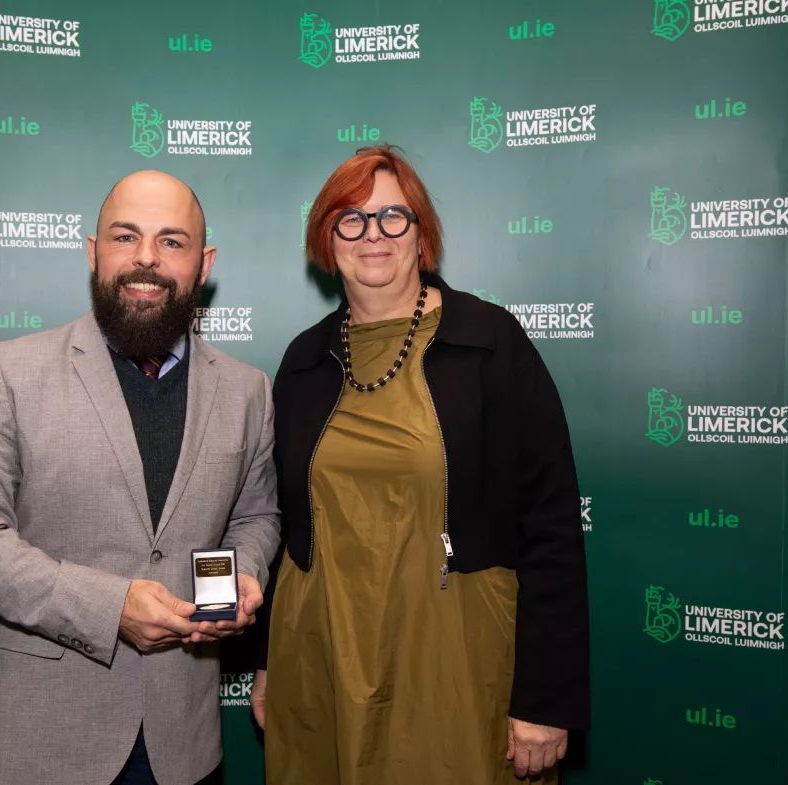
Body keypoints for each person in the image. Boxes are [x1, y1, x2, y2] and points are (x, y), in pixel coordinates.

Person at [251, 145, 589, 784]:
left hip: (454, 659)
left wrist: (546, 699)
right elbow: (283, 527)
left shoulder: (491, 344)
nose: (372, 234)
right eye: (350, 219)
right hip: (321, 655)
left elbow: (551, 527)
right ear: (328, 239)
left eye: (392, 217)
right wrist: (268, 659)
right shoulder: (302, 361)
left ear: (421, 232)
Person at [0, 170, 281, 785]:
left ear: (205, 264)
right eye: (126, 237)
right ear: (94, 253)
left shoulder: (247, 389)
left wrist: (246, 575)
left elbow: (257, 515)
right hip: (35, 743)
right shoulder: (8, 373)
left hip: (183, 742)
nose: (146, 258)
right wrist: (111, 606)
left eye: (172, 242)